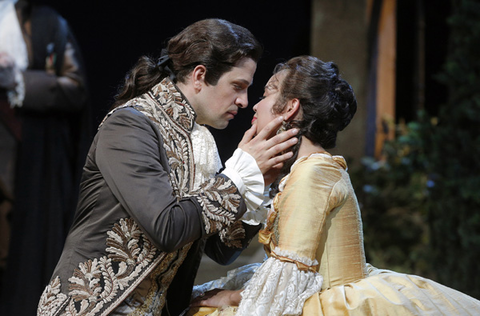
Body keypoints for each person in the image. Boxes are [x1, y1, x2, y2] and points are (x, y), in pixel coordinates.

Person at [37, 18, 299, 316]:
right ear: (199, 76)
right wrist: (240, 175)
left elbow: (221, 249)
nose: (243, 101)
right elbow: (167, 227)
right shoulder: (130, 125)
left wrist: (258, 183)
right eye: (237, 86)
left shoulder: (200, 141)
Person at [187, 55, 480, 315]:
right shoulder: (310, 168)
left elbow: (289, 277)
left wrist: (231, 297)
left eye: (267, 92)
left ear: (290, 108)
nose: (256, 104)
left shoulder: (312, 173)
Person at [0, 0, 91, 315]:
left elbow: (75, 86)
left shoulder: (45, 22)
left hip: (29, 158)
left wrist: (20, 81)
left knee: (21, 249)